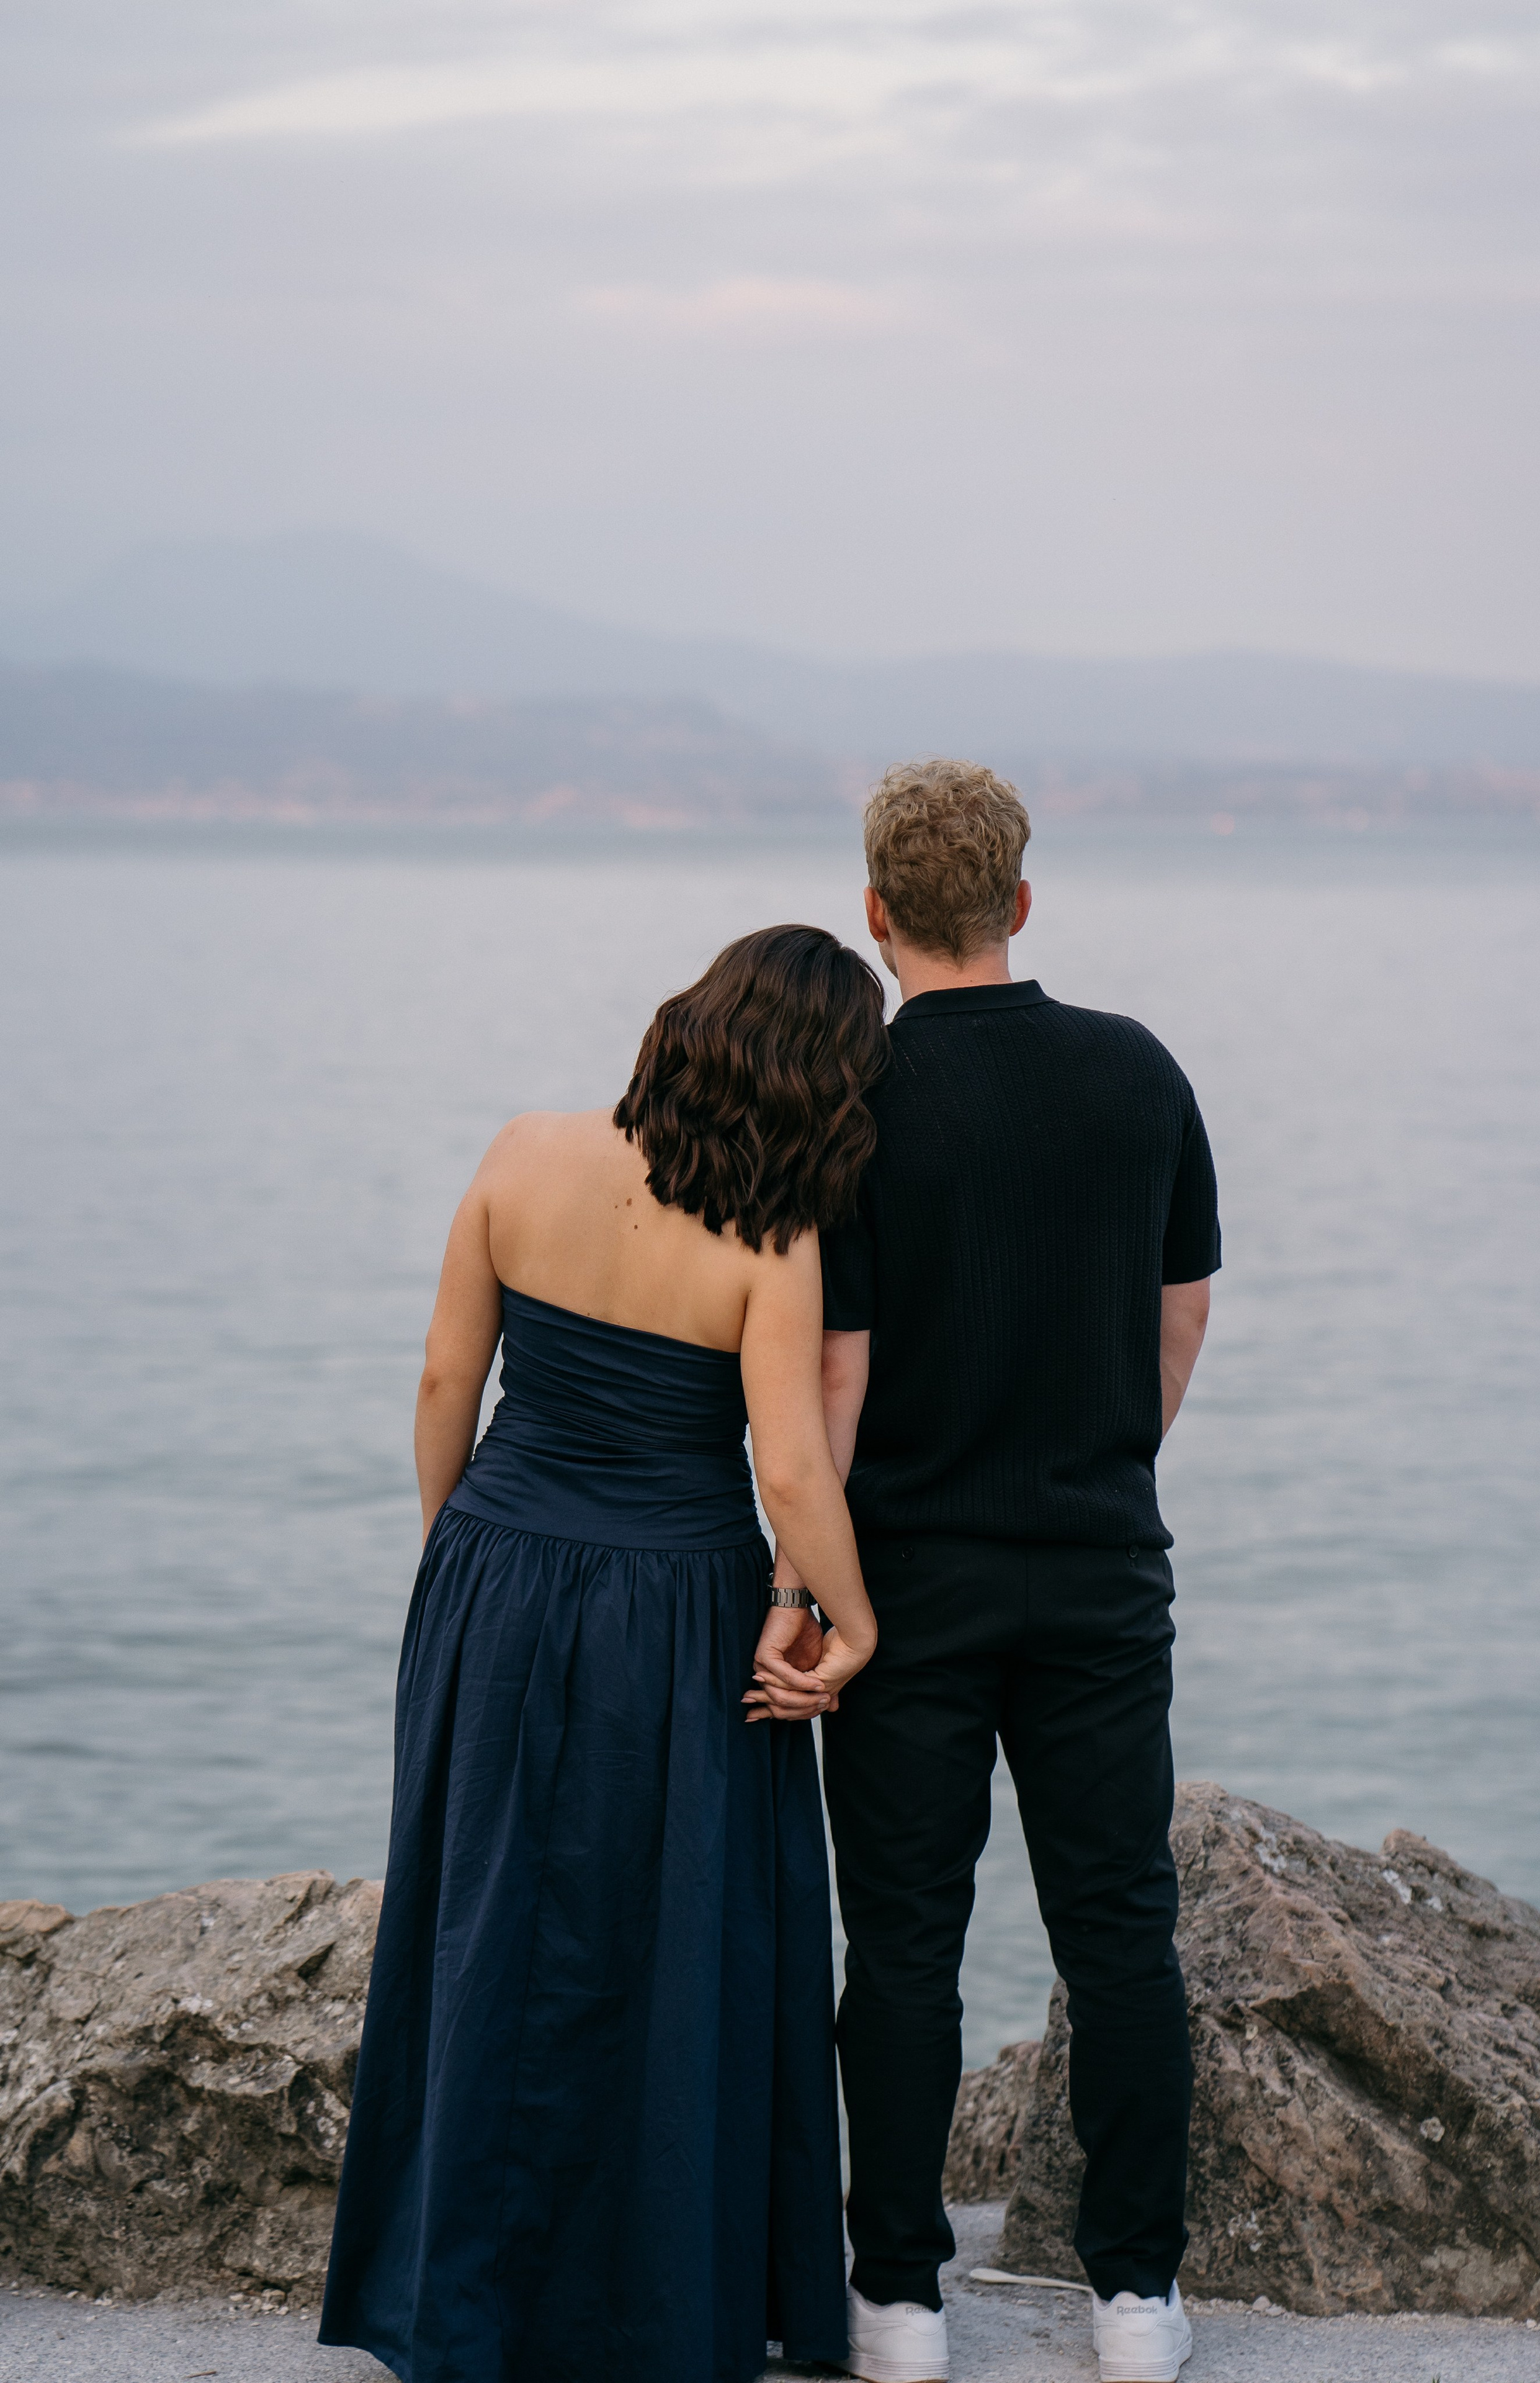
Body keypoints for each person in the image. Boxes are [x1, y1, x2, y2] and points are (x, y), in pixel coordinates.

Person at [319, 925, 886, 2383]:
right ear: (820, 1089)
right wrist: (853, 1620)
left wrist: (456, 1557)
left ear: (685, 1024)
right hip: (676, 1608)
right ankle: (647, 2302)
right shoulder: (772, 1239)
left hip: (492, 1569)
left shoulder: (522, 1151)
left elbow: (445, 1377)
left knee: (485, 1918)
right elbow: (790, 1472)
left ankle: (459, 2298)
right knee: (671, 1937)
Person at [754, 765, 1220, 2383]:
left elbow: (834, 1384)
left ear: (875, 914)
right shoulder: (1137, 1073)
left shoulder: (855, 1102)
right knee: (1121, 1930)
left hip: (905, 1590)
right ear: (1021, 900)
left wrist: (804, 1591)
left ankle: (897, 2302)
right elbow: (1178, 1314)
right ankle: (1136, 2298)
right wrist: (1101, 1463)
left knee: (901, 1945)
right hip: (1100, 1571)